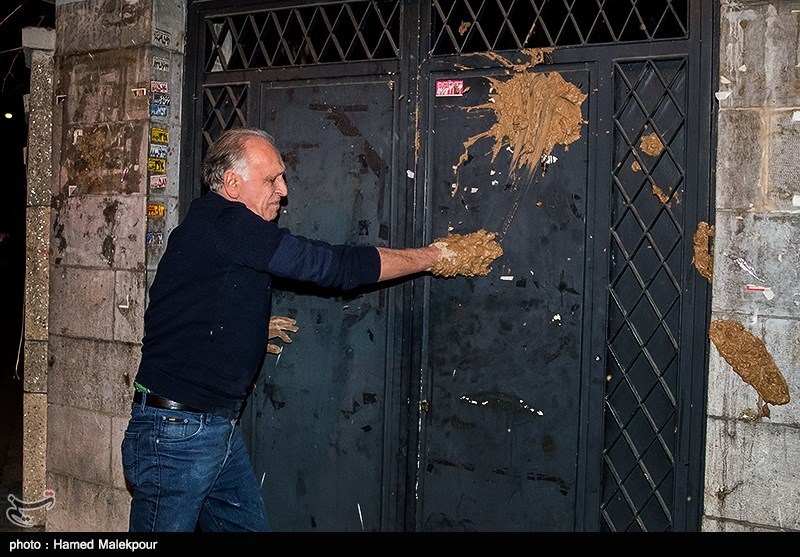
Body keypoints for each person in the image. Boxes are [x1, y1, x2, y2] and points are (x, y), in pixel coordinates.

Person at [121, 127, 499, 532]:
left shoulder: (210, 225)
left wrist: (247, 328)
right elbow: (329, 267)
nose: (283, 190)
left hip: (210, 428)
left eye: (282, 177)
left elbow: (184, 303)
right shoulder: (230, 223)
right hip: (177, 435)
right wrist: (431, 258)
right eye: (272, 179)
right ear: (232, 183)